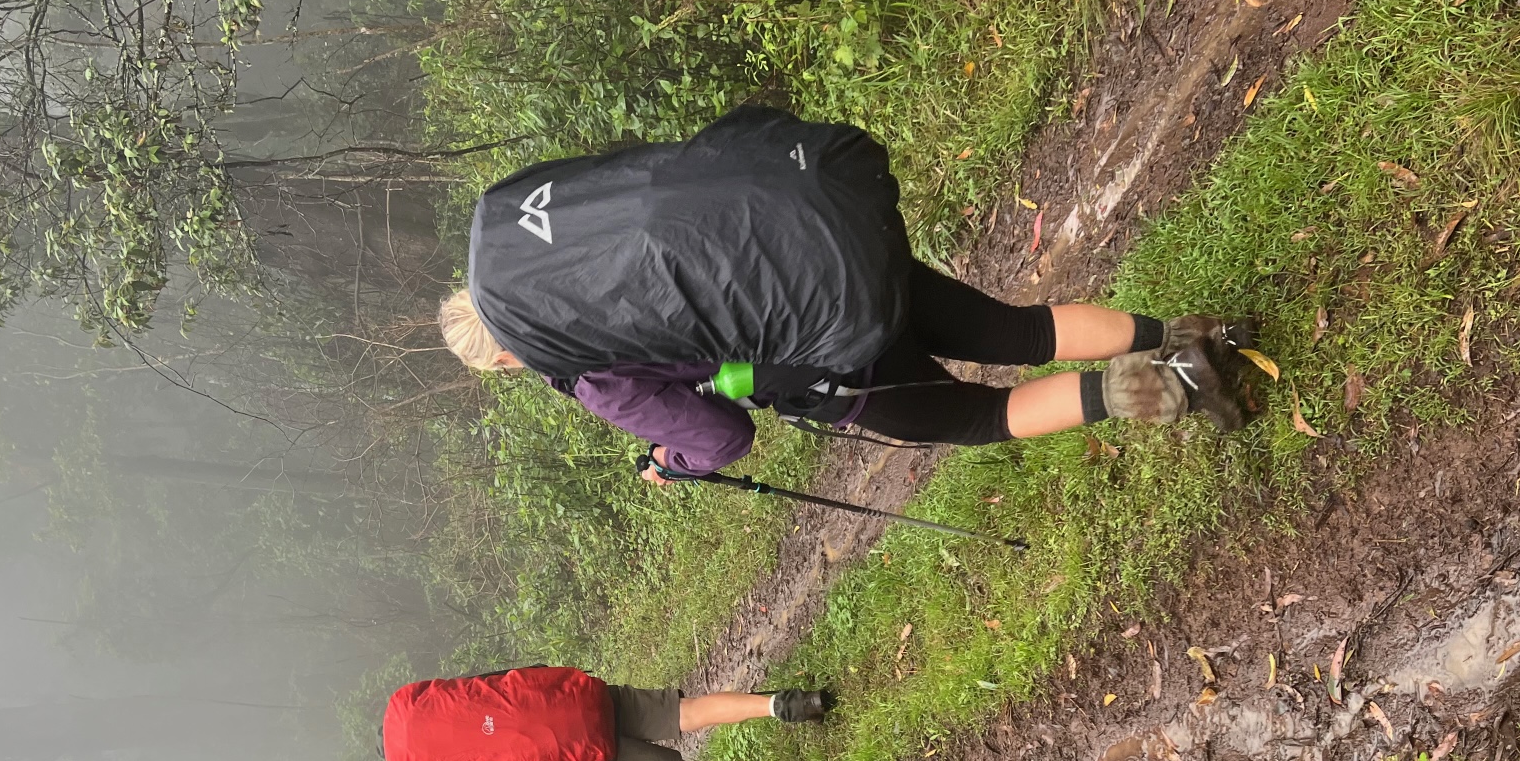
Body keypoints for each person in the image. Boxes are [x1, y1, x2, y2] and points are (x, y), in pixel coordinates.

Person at [439, 276, 1253, 483]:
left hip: (834, 368)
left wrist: (671, 461)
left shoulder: (592, 378)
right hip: (841, 278)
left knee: (986, 417)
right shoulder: (599, 274)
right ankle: (1200, 334)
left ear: (509, 358)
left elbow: (722, 435)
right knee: (1020, 328)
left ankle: (1178, 379)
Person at [380, 665, 830, 761]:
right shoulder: (451, 697)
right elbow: (513, 678)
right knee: (684, 713)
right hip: (581, 702)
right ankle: (788, 704)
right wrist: (567, 685)